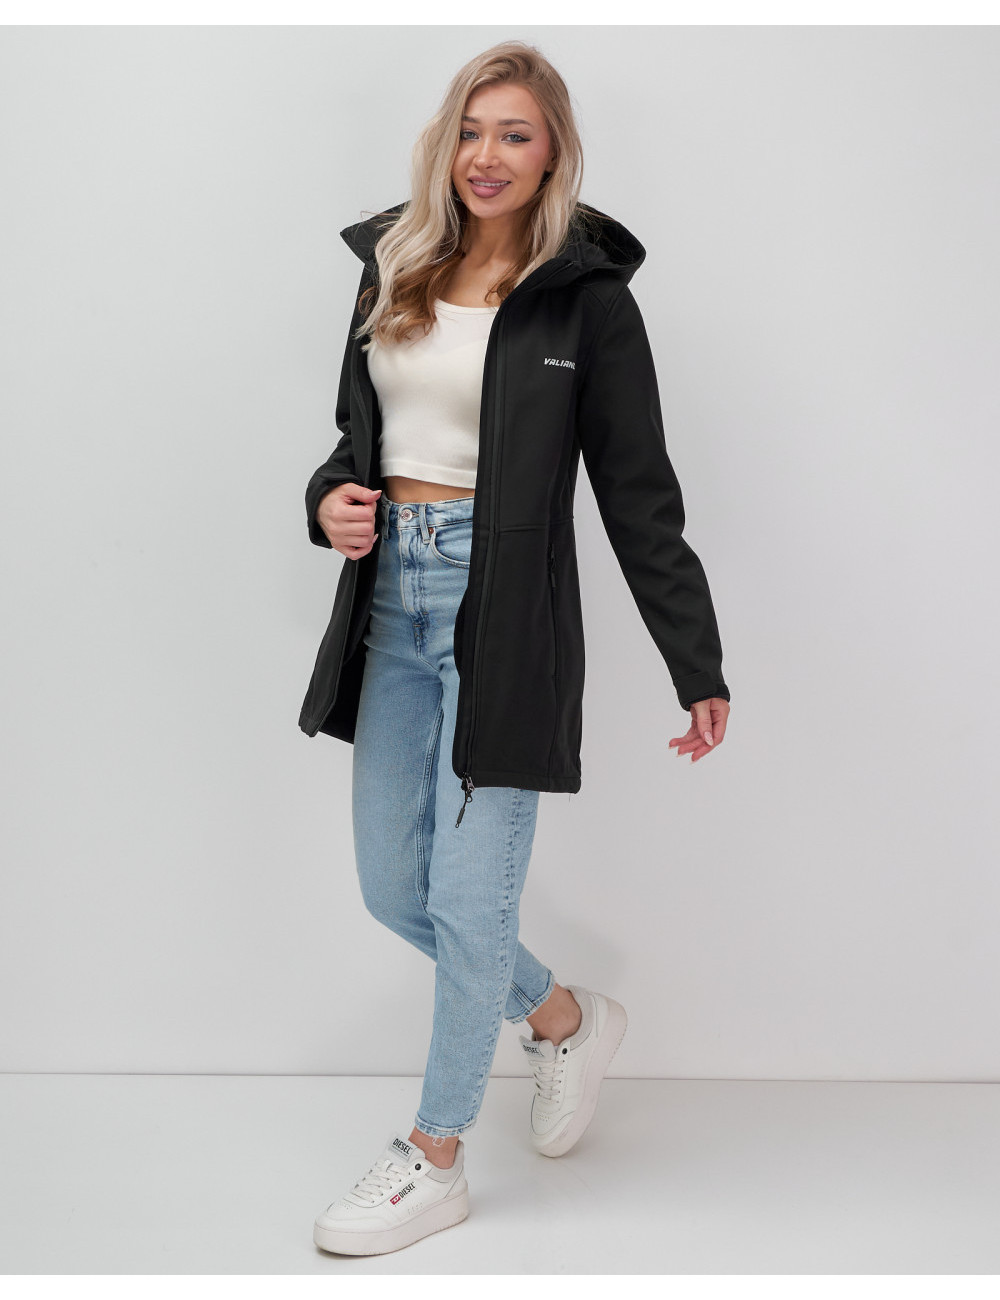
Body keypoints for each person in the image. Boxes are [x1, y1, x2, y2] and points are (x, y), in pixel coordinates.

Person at [303, 41, 731, 1257]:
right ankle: (561, 1020)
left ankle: (434, 1155)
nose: (487, 155)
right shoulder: (394, 265)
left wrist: (694, 662)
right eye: (473, 130)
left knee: (463, 897)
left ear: (552, 157)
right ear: (447, 142)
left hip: (507, 613)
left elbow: (638, 494)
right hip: (390, 599)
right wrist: (328, 503)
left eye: (516, 135)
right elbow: (352, 440)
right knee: (395, 889)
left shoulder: (586, 303)